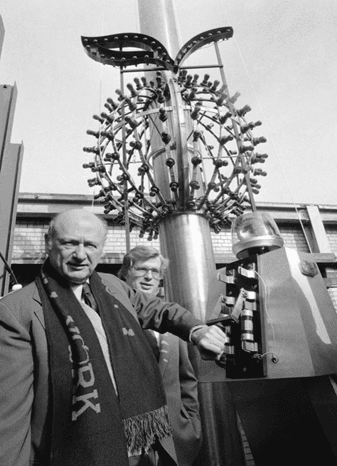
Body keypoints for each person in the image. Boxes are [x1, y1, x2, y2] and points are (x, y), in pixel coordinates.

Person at [0, 209, 227, 466]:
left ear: (102, 248)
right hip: (74, 454)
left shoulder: (113, 286)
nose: (80, 255)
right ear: (48, 243)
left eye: (90, 245)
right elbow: (10, 417)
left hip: (146, 449)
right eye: (70, 243)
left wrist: (197, 330)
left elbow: (161, 310)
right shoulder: (16, 311)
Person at [119, 246, 202, 466]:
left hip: (174, 439)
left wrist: (191, 422)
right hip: (126, 443)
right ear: (126, 273)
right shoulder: (110, 318)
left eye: (155, 272)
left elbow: (186, 379)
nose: (149, 277)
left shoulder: (174, 325)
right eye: (142, 269)